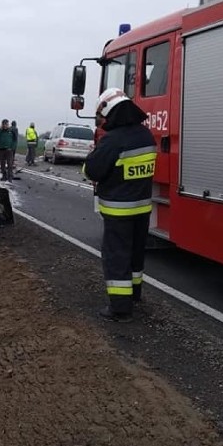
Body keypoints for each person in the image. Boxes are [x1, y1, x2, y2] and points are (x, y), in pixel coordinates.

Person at [83, 88, 156, 322]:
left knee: (117, 257)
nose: (102, 122)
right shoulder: (146, 136)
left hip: (118, 209)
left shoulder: (113, 140)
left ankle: (120, 309)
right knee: (135, 256)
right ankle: (135, 295)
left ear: (109, 112)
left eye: (102, 116)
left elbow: (92, 170)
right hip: (142, 208)